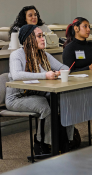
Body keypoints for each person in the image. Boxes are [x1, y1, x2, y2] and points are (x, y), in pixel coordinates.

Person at [5, 25, 73, 154]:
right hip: (17, 98)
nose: (43, 39)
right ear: (29, 39)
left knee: (64, 103)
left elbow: (64, 67)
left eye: (43, 36)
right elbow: (16, 75)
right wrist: (45, 75)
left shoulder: (43, 54)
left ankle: (66, 142)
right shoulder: (17, 55)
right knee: (45, 107)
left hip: (38, 93)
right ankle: (43, 144)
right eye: (39, 36)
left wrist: (60, 71)